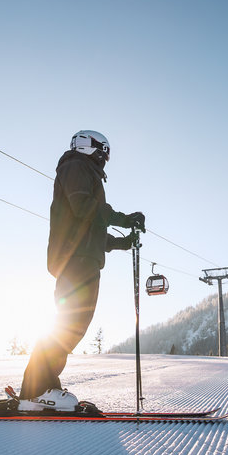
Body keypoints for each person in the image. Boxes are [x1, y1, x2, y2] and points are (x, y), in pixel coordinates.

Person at [18, 130, 145, 411]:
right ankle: (35, 391)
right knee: (69, 324)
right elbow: (84, 207)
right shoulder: (75, 166)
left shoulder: (82, 170)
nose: (105, 158)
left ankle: (42, 388)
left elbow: (89, 228)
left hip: (80, 257)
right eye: (103, 152)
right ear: (90, 147)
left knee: (70, 324)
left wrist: (123, 242)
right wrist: (123, 219)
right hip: (75, 259)